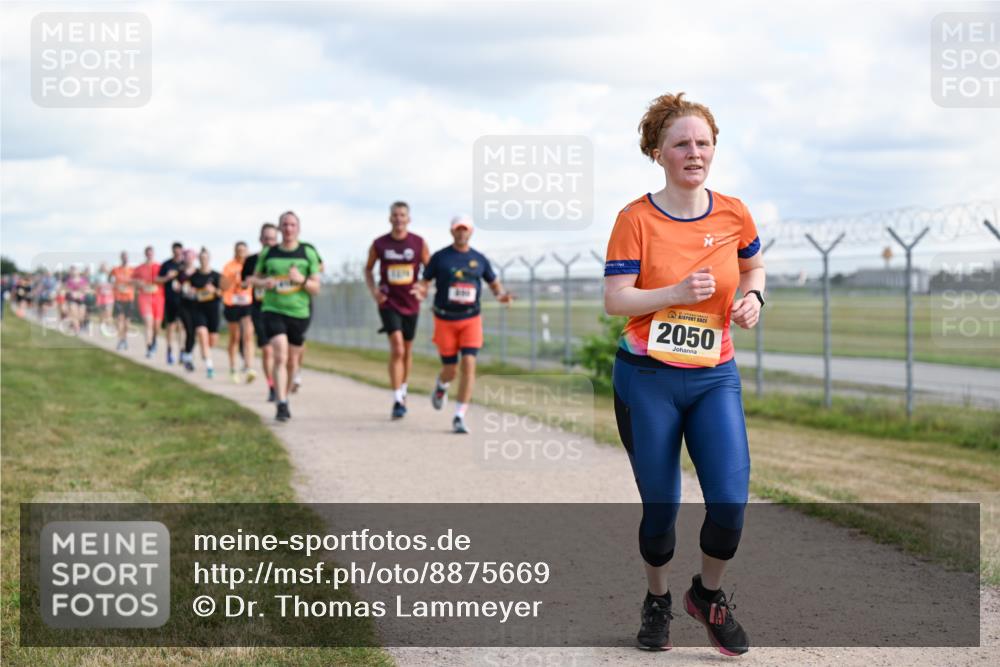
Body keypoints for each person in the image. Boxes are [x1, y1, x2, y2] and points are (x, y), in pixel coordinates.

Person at [603, 92, 766, 655]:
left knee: (729, 503)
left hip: (714, 375)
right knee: (662, 510)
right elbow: (615, 299)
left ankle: (708, 595)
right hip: (647, 379)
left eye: (703, 142)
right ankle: (657, 599)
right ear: (657, 151)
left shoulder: (734, 212)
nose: (694, 152)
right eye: (681, 143)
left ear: (714, 148)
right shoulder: (635, 219)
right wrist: (673, 292)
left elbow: (754, 266)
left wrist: (754, 299)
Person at [417, 215, 513, 434]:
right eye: (458, 229)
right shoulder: (440, 258)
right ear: (452, 232)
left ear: (471, 232)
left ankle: (459, 416)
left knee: (469, 364)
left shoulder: (479, 259)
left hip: (470, 319)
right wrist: (420, 290)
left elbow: (494, 285)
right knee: (451, 370)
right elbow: (424, 282)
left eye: (465, 229)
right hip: (444, 319)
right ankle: (442, 385)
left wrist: (502, 296)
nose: (461, 233)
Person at [252, 211, 321, 422]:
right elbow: (255, 278)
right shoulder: (269, 253)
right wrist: (265, 283)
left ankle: (286, 393)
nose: (289, 228)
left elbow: (315, 287)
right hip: (273, 309)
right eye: (285, 225)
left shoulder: (307, 252)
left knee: (292, 360)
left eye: (292, 225)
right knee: (280, 354)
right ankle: (281, 403)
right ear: (280, 228)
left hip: (299, 312)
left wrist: (300, 279)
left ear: (298, 228)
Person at [365, 201, 429, 419]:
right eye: (395, 215)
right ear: (390, 218)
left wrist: (423, 287)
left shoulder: (418, 243)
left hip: (411, 303)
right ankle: (396, 399)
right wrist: (374, 290)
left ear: (408, 219)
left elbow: (429, 271)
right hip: (388, 302)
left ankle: (403, 389)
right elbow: (368, 269)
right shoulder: (380, 244)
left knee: (408, 350)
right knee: (398, 348)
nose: (399, 219)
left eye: (402, 215)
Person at [243, 223, 279, 400]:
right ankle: (272, 386)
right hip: (260, 309)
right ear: (260, 239)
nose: (269, 242)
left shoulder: (282, 259)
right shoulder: (251, 261)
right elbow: (244, 281)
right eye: (266, 238)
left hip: (281, 308)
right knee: (267, 351)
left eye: (272, 238)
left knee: (282, 351)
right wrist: (253, 280)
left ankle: (285, 379)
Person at [221, 241, 257, 384]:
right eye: (239, 250)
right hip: (232, 303)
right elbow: (223, 286)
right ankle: (233, 367)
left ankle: (249, 367)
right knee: (235, 337)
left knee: (248, 334)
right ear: (235, 251)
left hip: (247, 302)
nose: (241, 252)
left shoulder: (251, 265)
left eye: (244, 250)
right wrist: (233, 278)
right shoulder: (229, 266)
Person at [186, 247, 222, 378]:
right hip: (198, 309)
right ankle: (209, 366)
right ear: (198, 260)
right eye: (201, 258)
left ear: (209, 259)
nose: (203, 260)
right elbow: (188, 291)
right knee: (201, 333)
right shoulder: (194, 276)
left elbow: (223, 294)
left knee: (211, 341)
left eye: (205, 258)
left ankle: (205, 353)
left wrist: (214, 290)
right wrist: (191, 292)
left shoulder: (217, 276)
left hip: (213, 310)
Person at [157, 243, 185, 365]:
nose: (177, 253)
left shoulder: (185, 265)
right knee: (171, 326)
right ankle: (169, 351)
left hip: (183, 300)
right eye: (175, 251)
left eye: (179, 251)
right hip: (170, 299)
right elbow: (157, 279)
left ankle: (182, 352)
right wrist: (167, 277)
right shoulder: (166, 264)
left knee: (182, 326)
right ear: (172, 251)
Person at [135, 246, 164, 358]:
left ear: (153, 254)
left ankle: (154, 341)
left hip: (158, 298)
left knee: (156, 326)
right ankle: (149, 348)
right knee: (148, 323)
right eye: (148, 253)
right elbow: (132, 280)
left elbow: (165, 279)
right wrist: (138, 283)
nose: (149, 255)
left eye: (151, 253)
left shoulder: (159, 267)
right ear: (145, 254)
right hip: (144, 297)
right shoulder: (139, 268)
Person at [110, 252, 135, 351]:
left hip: (129, 298)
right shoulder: (115, 270)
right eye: (123, 257)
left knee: (127, 322)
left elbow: (137, 281)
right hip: (118, 298)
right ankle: (120, 340)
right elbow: (110, 280)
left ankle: (125, 339)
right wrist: (115, 286)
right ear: (121, 258)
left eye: (126, 257)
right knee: (120, 320)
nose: (125, 259)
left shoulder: (132, 271)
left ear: (128, 259)